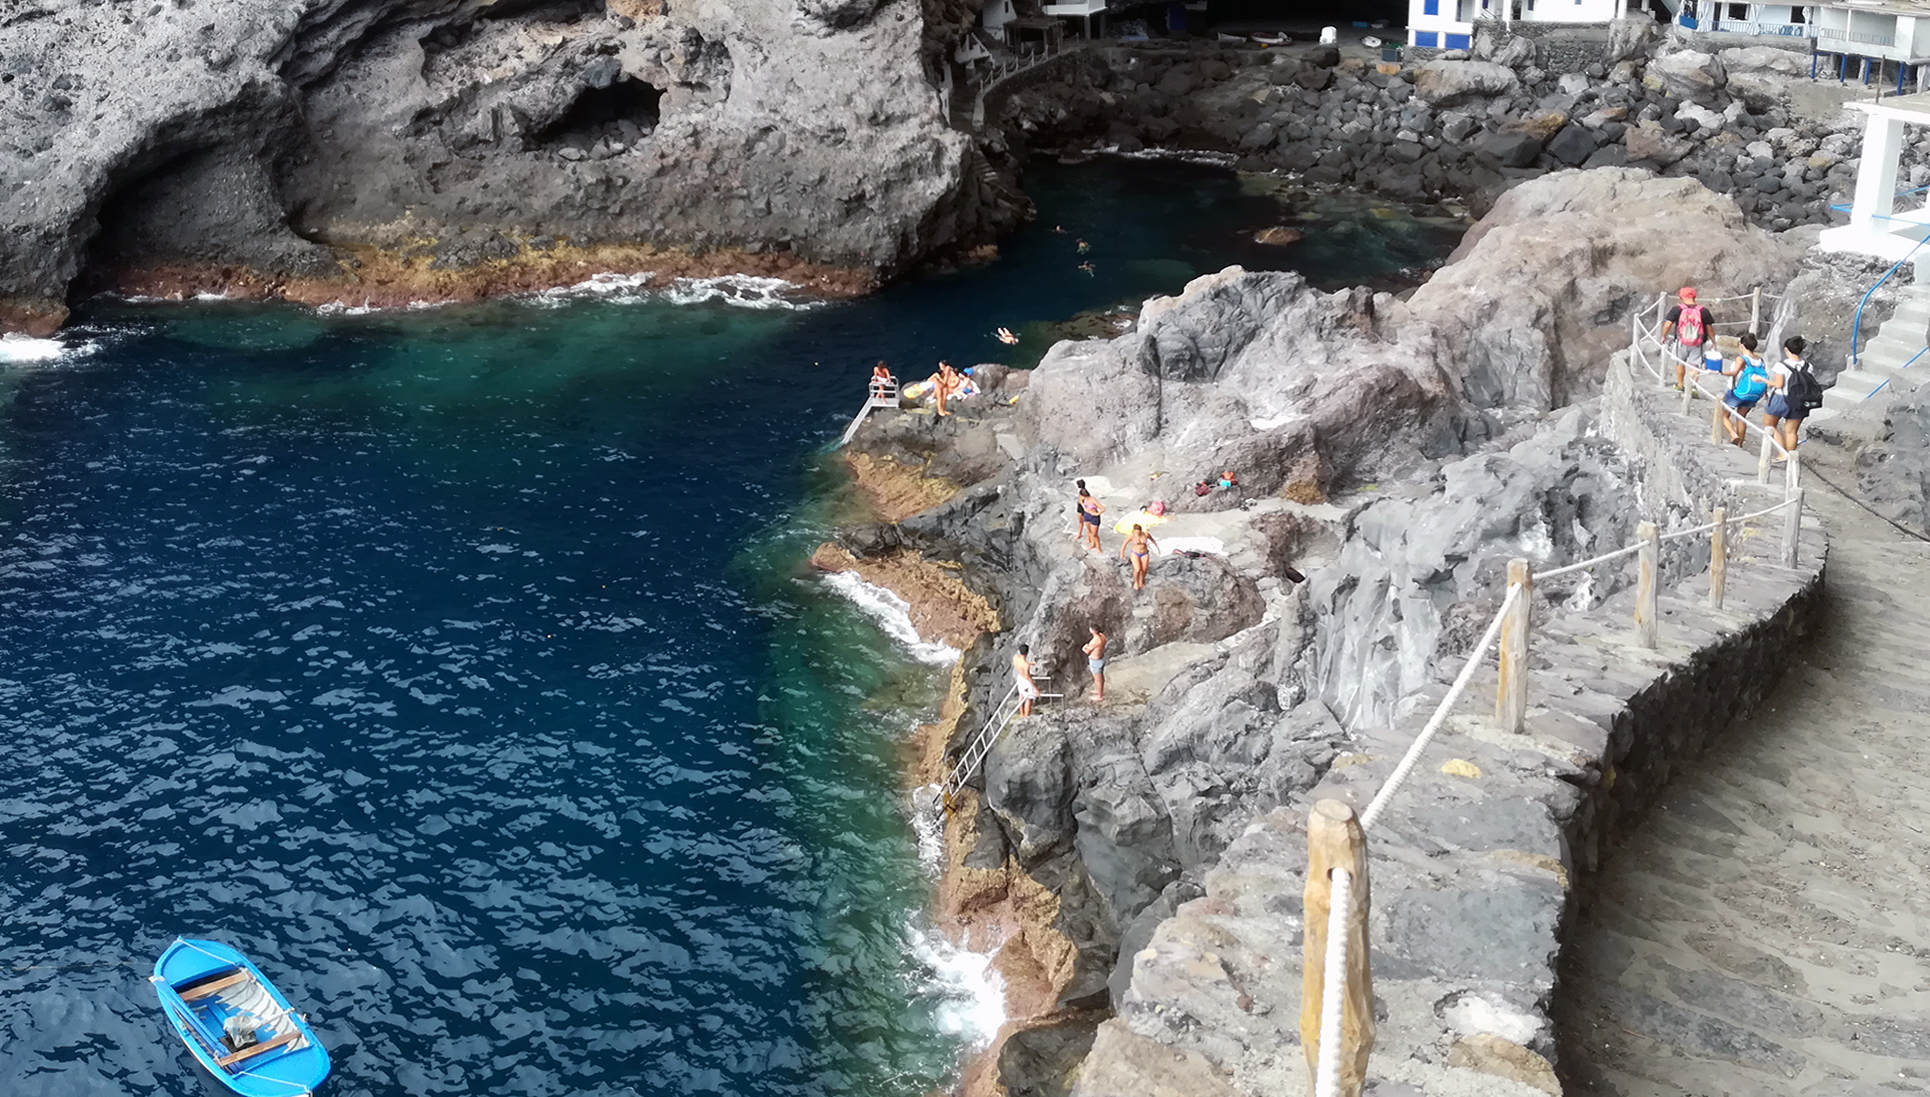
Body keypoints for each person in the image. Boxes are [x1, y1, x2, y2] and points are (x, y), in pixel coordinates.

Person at [1762, 335, 1815, 459]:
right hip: (1799, 401)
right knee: (1791, 431)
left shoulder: (1780, 366)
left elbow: (1778, 384)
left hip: (1781, 398)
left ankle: (1782, 453)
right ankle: (1791, 458)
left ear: (1786, 349)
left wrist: (1763, 380)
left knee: (1770, 425)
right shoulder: (1808, 366)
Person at [1659, 287, 1715, 392]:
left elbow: (1667, 325)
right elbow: (1709, 329)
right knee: (1695, 364)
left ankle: (1680, 384)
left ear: (1681, 297)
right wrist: (1713, 341)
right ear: (1695, 296)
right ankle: (1692, 388)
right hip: (1697, 343)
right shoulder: (1703, 311)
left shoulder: (1677, 309)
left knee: (1679, 362)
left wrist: (1663, 336)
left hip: (1681, 342)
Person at [1721, 333, 1771, 447]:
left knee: (1724, 415)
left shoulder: (1742, 359)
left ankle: (1733, 434)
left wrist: (1719, 372)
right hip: (1754, 394)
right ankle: (1740, 444)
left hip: (1737, 392)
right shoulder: (1760, 360)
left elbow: (1734, 373)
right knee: (1741, 417)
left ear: (1742, 345)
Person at [1119, 523, 1159, 590]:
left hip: (1145, 553)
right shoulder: (1131, 536)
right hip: (1135, 553)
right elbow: (1124, 544)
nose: (1137, 534)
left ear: (1141, 531)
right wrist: (1121, 553)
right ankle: (1136, 582)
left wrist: (1157, 549)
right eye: (1135, 532)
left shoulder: (1145, 534)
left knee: (1144, 569)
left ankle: (1142, 580)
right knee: (1137, 569)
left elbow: (1152, 540)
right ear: (1133, 531)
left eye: (1138, 532)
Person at [1076, 481, 1105, 552]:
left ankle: (1098, 547)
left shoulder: (1093, 499)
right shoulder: (1084, 499)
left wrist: (1097, 514)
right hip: (1087, 515)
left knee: (1094, 533)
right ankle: (1093, 544)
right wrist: (1085, 508)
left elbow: (1103, 508)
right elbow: (1080, 502)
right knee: (1090, 531)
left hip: (1094, 516)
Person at [1012, 643, 1039, 717]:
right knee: (1029, 699)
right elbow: (1028, 677)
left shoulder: (1015, 658)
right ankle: (1026, 716)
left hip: (1020, 678)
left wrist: (1029, 663)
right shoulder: (1026, 665)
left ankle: (1021, 714)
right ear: (1027, 653)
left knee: (1021, 695)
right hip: (1025, 681)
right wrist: (1035, 688)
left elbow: (1022, 665)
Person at [1083, 626, 1108, 703]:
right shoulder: (1102, 636)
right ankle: (1098, 691)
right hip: (1101, 658)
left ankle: (1099, 696)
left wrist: (1084, 647)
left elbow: (1087, 651)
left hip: (1096, 661)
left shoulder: (1095, 641)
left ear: (1092, 631)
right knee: (1100, 677)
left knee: (1098, 679)